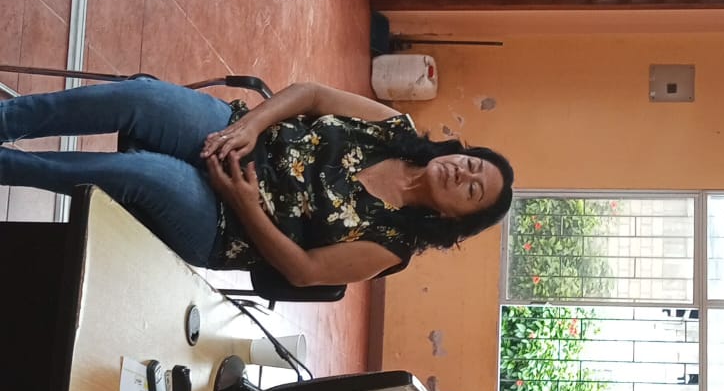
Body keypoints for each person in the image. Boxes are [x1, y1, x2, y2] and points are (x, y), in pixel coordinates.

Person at [0, 77, 515, 287]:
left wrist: (243, 202)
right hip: (237, 136)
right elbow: (311, 95)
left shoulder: (392, 244)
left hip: (227, 224)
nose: (462, 174)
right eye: (472, 165)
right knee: (143, 98)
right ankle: (7, 120)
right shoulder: (394, 129)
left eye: (472, 190)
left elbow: (306, 271)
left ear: (454, 218)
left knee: (142, 174)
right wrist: (248, 126)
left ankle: (10, 167)